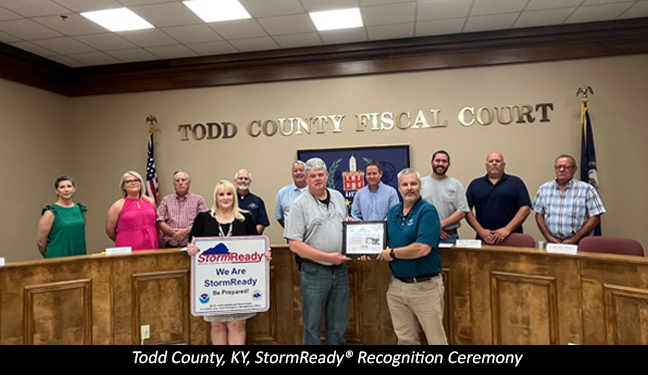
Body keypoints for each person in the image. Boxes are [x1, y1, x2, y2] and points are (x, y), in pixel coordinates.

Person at [187, 180, 269, 345]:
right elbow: (192, 244)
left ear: (234, 196)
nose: (225, 198)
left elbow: (255, 244)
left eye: (229, 194)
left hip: (238, 285)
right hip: (212, 285)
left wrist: (264, 254)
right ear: (215, 197)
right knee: (217, 325)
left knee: (237, 324)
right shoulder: (203, 219)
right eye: (221, 194)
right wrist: (190, 249)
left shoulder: (245, 218)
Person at [376, 168, 447, 345]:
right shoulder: (393, 212)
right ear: (399, 188)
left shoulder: (427, 211)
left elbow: (422, 248)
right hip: (397, 286)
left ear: (420, 186)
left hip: (424, 287)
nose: (409, 188)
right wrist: (366, 250)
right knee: (405, 339)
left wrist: (392, 253)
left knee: (436, 340)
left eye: (413, 183)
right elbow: (384, 241)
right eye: (405, 184)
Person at [284, 157, 350, 345]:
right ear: (306, 178)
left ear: (327, 175)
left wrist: (350, 227)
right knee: (312, 326)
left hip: (341, 271)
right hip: (315, 272)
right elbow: (295, 244)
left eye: (321, 174)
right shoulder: (299, 205)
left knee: (338, 324)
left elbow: (341, 226)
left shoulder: (338, 196)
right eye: (312, 175)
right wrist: (327, 257)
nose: (317, 178)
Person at [533, 154, 606, 244]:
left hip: (579, 243)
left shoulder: (587, 189)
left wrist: (575, 238)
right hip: (552, 243)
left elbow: (595, 218)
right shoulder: (544, 189)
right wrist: (548, 237)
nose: (561, 170)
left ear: (574, 169)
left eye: (566, 167)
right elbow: (538, 215)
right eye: (558, 167)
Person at [465, 151, 532, 245]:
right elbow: (466, 210)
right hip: (484, 238)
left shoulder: (516, 183)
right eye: (491, 161)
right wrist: (481, 231)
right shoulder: (475, 184)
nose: (494, 163)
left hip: (512, 237)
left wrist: (506, 229)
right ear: (486, 165)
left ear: (503, 165)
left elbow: (525, 209)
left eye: (498, 161)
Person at [420, 150, 469, 244]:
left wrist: (439, 225)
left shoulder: (456, 184)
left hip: (449, 236)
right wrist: (433, 229)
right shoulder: (420, 184)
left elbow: (462, 211)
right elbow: (415, 210)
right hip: (425, 235)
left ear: (448, 164)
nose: (440, 164)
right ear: (432, 162)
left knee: (450, 259)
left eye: (444, 161)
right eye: (437, 161)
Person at [105, 171, 159, 251]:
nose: (133, 183)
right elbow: (110, 231)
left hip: (151, 246)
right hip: (128, 249)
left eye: (136, 180)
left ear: (140, 183)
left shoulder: (150, 202)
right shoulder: (117, 206)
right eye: (129, 181)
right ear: (123, 186)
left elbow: (156, 223)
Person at [37, 176, 87, 258]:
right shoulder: (51, 212)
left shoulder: (80, 210)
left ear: (74, 189)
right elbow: (41, 242)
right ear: (57, 191)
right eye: (62, 187)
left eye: (69, 186)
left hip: (79, 257)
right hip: (57, 257)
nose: (66, 190)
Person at [156, 169, 207, 248]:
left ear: (189, 183)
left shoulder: (198, 200)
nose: (180, 183)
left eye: (183, 180)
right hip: (170, 245)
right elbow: (159, 220)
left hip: (192, 246)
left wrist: (185, 231)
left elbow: (204, 221)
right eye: (177, 180)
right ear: (174, 184)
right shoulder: (166, 200)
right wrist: (174, 233)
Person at [234, 168, 270, 234]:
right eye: (240, 178)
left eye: (246, 179)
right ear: (235, 181)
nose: (243, 181)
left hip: (252, 239)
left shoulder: (258, 201)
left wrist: (252, 236)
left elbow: (261, 223)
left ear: (250, 182)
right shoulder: (229, 200)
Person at [274, 160, 308, 229]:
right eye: (295, 171)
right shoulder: (282, 193)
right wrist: (289, 228)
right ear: (292, 174)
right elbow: (279, 217)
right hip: (292, 236)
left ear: (307, 172)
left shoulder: (315, 191)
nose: (298, 173)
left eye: (301, 170)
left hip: (312, 236)